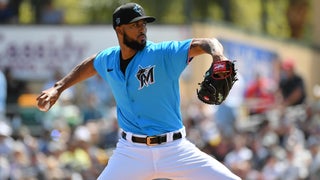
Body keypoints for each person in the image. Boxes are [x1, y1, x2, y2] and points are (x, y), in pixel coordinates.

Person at [36, 3, 241, 180]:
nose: (142, 29)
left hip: (175, 149)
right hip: (130, 153)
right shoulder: (109, 59)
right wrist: (58, 87)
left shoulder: (161, 53)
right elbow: (91, 63)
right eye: (135, 25)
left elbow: (205, 43)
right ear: (119, 30)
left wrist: (217, 55)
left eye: (143, 24)